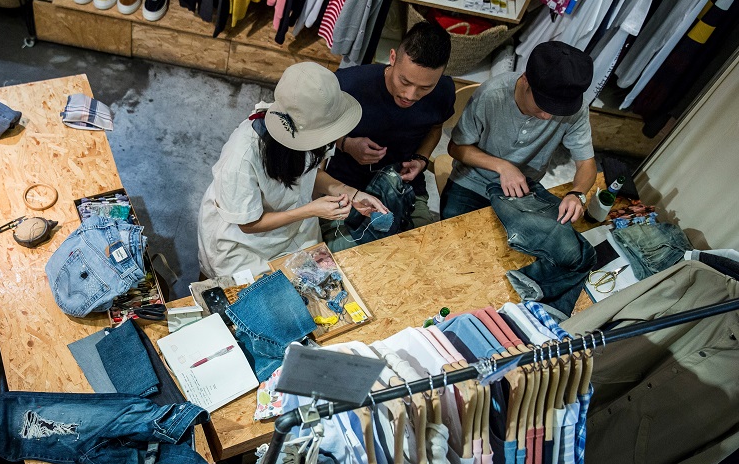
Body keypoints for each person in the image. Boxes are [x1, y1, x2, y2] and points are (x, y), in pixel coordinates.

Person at [440, 41, 598, 315]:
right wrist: (502, 166)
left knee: (574, 254)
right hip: (471, 182)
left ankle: (535, 303)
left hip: (523, 189)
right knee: (456, 259)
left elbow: (587, 163)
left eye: (556, 109)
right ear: (525, 80)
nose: (548, 115)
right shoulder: (493, 94)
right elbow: (456, 148)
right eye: (543, 105)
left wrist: (577, 192)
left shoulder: (573, 109)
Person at [197, 62, 388, 278]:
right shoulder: (241, 156)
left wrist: (352, 193)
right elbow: (248, 225)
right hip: (245, 246)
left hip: (297, 228)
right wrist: (311, 210)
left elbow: (309, 174)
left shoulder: (314, 125)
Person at [324, 22, 455, 247]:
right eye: (405, 81)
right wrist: (346, 144)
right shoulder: (348, 85)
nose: (410, 95)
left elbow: (435, 128)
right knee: (350, 264)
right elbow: (314, 132)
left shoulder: (443, 91)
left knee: (424, 253)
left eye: (425, 87)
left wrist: (421, 160)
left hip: (404, 184)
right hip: (346, 185)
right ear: (392, 58)